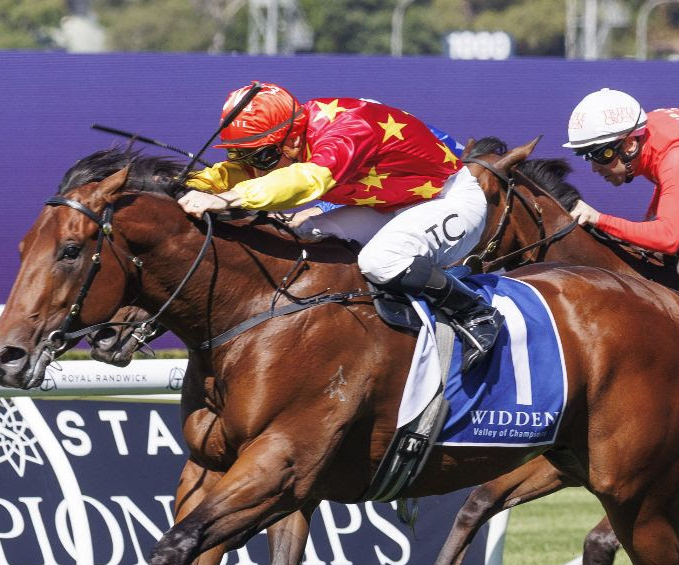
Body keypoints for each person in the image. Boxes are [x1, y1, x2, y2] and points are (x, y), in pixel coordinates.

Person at [177, 82, 499, 370]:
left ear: (289, 141)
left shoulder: (349, 126)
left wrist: (230, 199)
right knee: (299, 236)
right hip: (387, 207)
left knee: (380, 260)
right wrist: (180, 185)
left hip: (450, 200)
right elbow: (234, 174)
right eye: (241, 155)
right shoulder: (284, 141)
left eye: (258, 157)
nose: (251, 166)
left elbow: (309, 180)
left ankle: (475, 312)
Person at [562, 88, 679, 255]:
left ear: (629, 145)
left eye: (600, 155)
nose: (595, 168)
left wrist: (598, 219)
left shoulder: (677, 158)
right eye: (587, 156)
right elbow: (664, 174)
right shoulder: (647, 134)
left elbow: (668, 239)